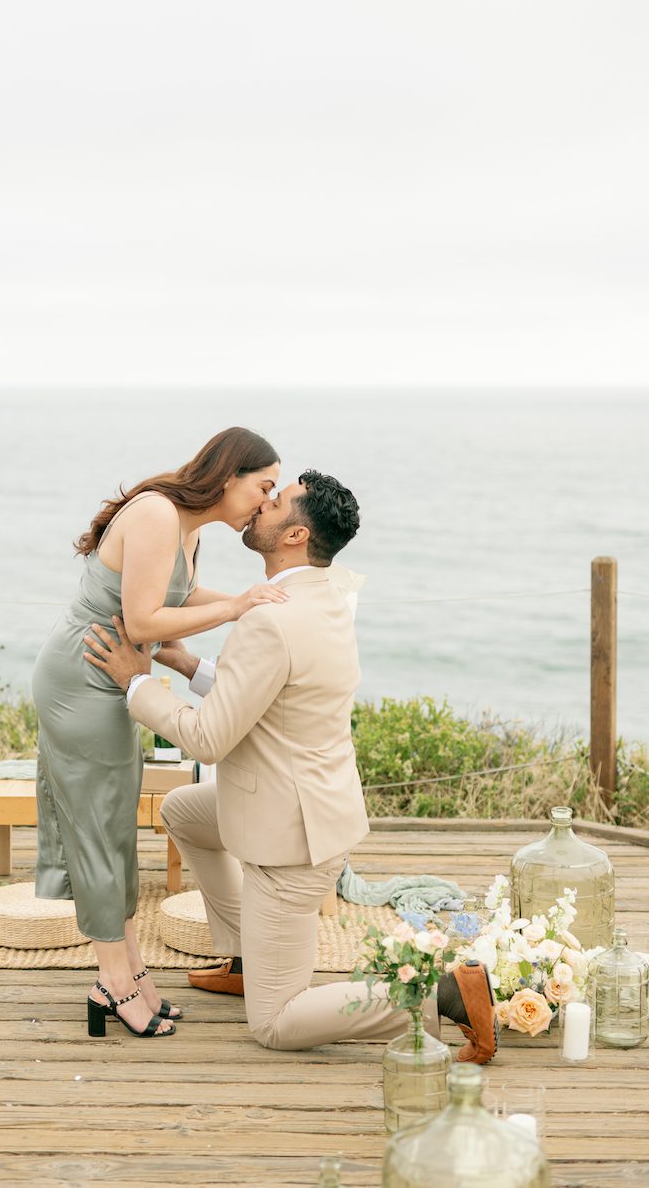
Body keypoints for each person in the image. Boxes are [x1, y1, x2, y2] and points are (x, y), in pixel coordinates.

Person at [84, 471, 498, 1060]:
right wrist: (186, 662)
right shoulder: (325, 594)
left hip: (290, 844)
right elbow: (271, 692)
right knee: (185, 810)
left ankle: (439, 995)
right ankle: (246, 954)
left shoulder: (270, 619)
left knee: (275, 1023)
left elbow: (207, 738)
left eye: (274, 501)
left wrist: (137, 682)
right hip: (307, 803)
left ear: (295, 534)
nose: (260, 503)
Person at [32, 427, 284, 1040]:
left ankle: (135, 976)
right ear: (229, 477)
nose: (265, 502)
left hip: (117, 675)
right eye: (264, 487)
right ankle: (113, 985)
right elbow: (146, 618)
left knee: (114, 824)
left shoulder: (187, 526)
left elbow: (181, 592)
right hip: (84, 676)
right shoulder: (155, 514)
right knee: (97, 828)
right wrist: (237, 607)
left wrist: (265, 600)